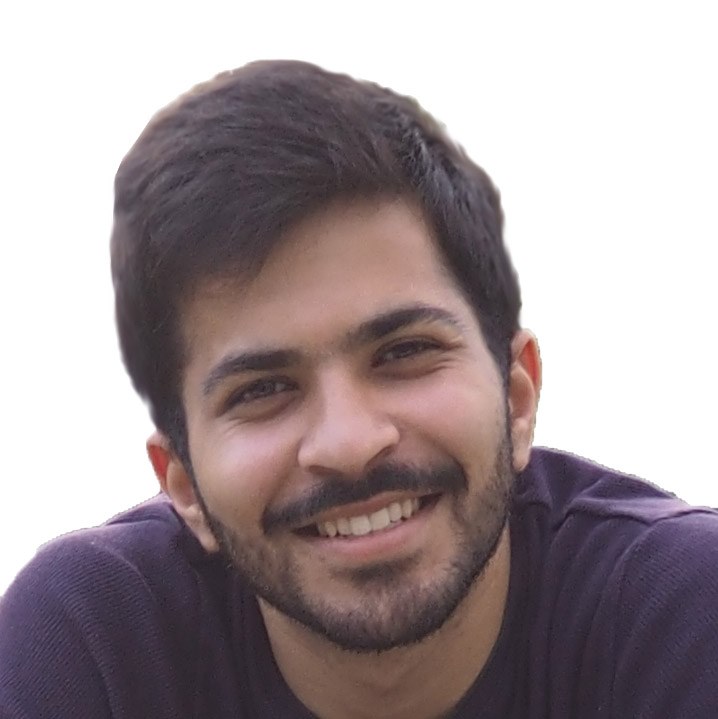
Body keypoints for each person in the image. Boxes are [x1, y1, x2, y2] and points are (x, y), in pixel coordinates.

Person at [1, 60, 716, 719]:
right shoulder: (91, 645)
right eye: (262, 390)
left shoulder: (680, 614)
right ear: (183, 484)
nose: (349, 443)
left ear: (516, 396)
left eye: (404, 353)